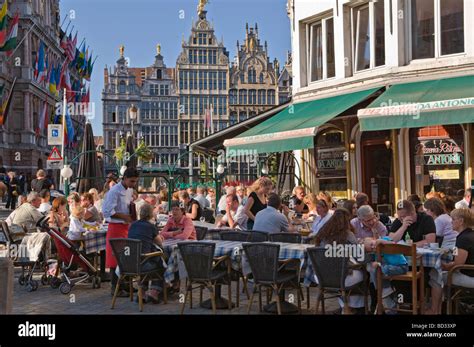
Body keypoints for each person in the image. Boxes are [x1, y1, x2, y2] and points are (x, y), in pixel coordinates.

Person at [313, 208, 366, 313]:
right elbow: (359, 256)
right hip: (340, 278)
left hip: (320, 277)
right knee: (363, 272)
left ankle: (345, 307)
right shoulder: (347, 234)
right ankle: (352, 307)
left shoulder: (322, 233)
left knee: (342, 271)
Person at [426, 208, 474, 314]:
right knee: (438, 274)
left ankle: (434, 310)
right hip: (470, 273)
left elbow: (458, 264)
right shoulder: (468, 235)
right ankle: (441, 307)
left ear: (461, 221)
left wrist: (443, 266)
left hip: (469, 276)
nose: (451, 221)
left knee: (435, 274)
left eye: (453, 219)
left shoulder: (463, 238)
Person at [102, 168, 139, 297]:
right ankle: (115, 288)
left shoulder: (129, 190)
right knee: (115, 258)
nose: (133, 184)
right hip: (115, 227)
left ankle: (126, 285)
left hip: (125, 227)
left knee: (126, 257)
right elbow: (107, 211)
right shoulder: (114, 192)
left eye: (135, 182)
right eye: (132, 181)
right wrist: (124, 217)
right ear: (124, 178)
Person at [128, 203, 165, 304]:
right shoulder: (150, 226)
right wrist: (160, 237)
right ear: (151, 214)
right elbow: (160, 243)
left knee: (147, 259)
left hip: (128, 263)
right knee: (161, 263)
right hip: (142, 264)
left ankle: (142, 292)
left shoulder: (132, 225)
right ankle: (154, 291)